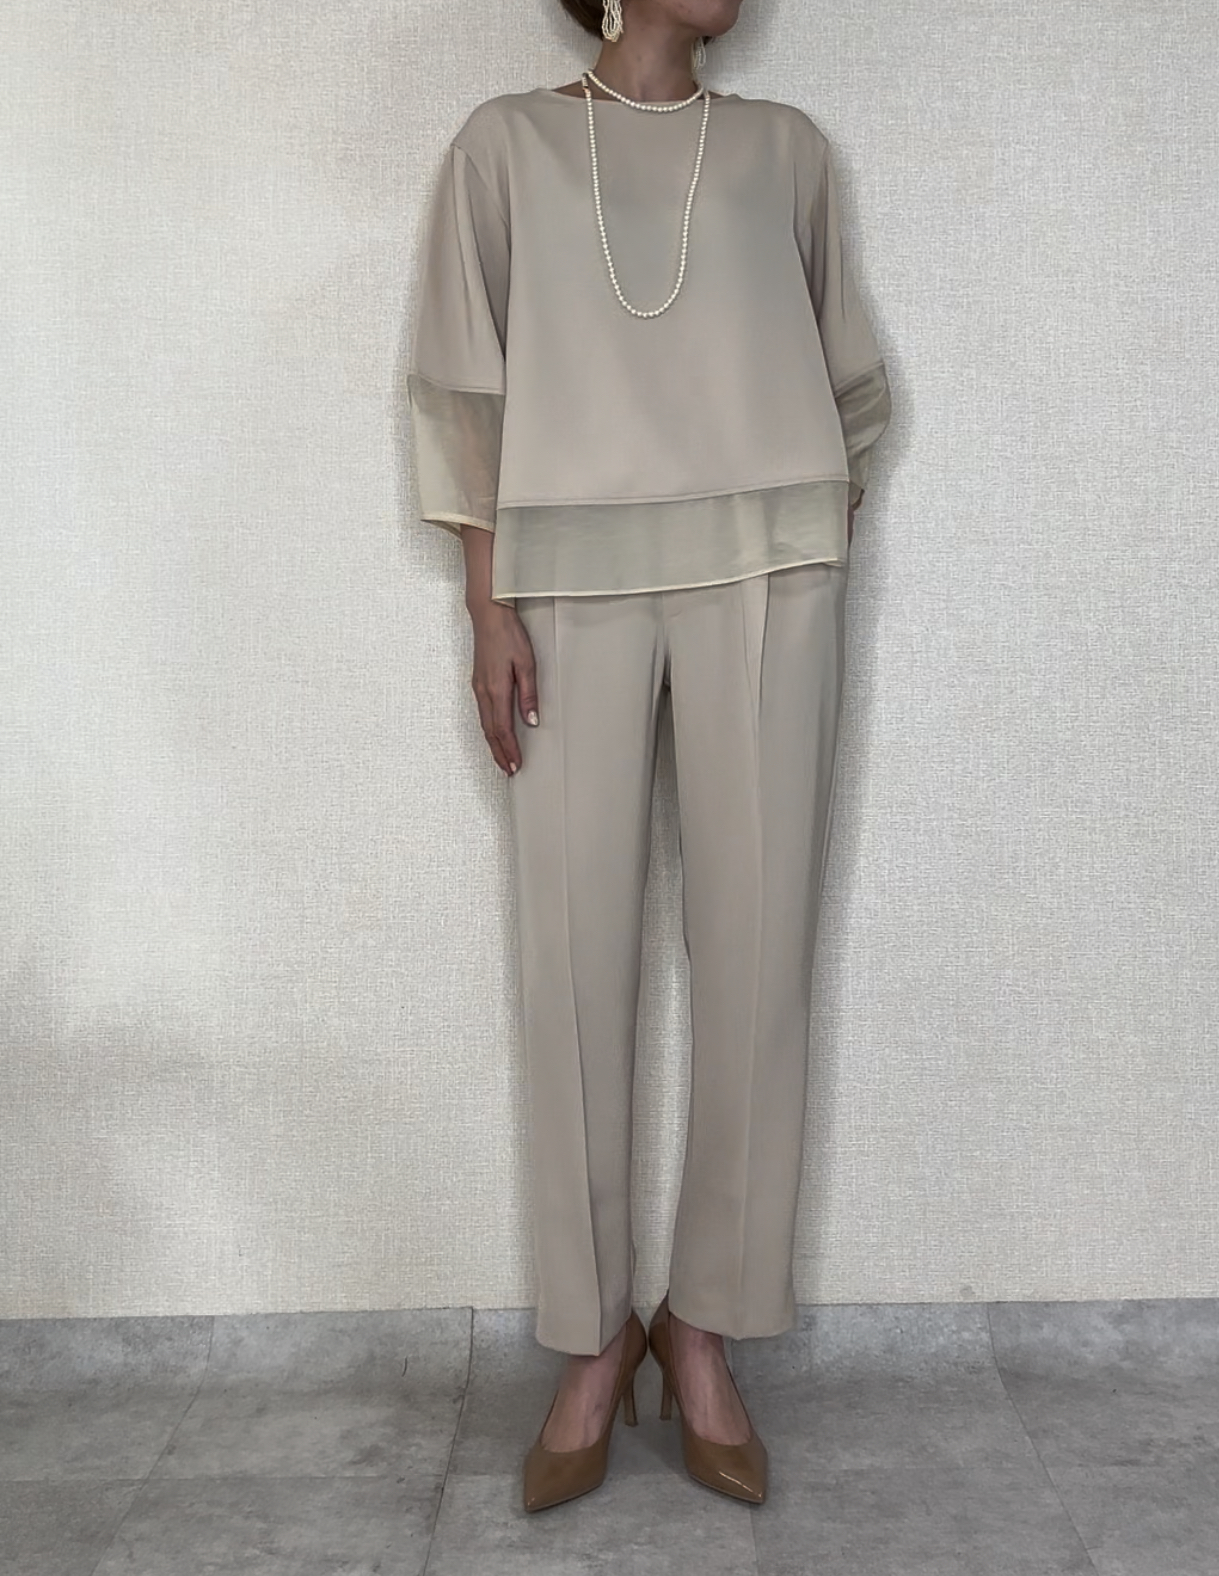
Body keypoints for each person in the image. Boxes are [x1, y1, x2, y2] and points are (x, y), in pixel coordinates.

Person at [407, 0, 891, 1514]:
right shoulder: (505, 147)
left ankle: (704, 1329)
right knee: (572, 955)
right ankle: (590, 1337)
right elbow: (464, 391)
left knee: (758, 949)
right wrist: (488, 608)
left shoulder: (786, 152)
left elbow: (848, 377)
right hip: (566, 575)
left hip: (769, 573)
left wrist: (816, 514)